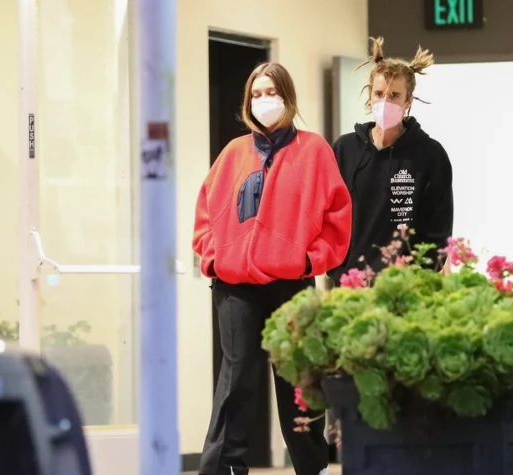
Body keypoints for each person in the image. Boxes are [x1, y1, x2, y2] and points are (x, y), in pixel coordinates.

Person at [193, 62, 351, 475]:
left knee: (298, 382)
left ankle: (312, 468)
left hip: (290, 284)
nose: (263, 101)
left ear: (287, 97)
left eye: (271, 92)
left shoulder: (314, 150)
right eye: (256, 94)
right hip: (234, 285)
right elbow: (205, 213)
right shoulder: (233, 153)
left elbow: (337, 217)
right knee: (236, 378)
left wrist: (309, 260)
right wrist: (212, 257)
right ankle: (222, 469)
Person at [328, 37, 454, 283]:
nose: (385, 102)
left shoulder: (431, 155)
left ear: (408, 101)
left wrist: (417, 277)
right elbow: (329, 216)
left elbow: (439, 230)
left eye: (394, 95)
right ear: (370, 95)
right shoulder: (344, 150)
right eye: (379, 94)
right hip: (350, 284)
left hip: (407, 287)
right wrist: (339, 271)